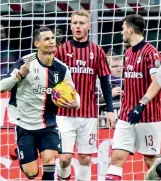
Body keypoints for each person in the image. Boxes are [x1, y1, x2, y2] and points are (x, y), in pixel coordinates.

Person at [0, 26, 80, 180]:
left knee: (50, 159)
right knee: (32, 173)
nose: (52, 41)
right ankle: (19, 150)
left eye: (52, 38)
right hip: (24, 124)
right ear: (37, 44)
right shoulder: (24, 63)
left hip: (47, 124)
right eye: (47, 39)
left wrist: (76, 103)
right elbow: (2, 86)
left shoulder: (62, 69)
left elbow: (74, 92)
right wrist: (19, 76)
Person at [55, 9, 115, 181]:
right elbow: (52, 81)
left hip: (88, 113)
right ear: (70, 26)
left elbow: (105, 82)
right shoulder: (61, 51)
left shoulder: (97, 52)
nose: (78, 27)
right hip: (63, 113)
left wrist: (110, 110)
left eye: (81, 23)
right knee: (65, 158)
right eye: (74, 23)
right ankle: (63, 177)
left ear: (89, 26)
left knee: (85, 158)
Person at [105, 14, 161, 180]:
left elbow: (157, 82)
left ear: (130, 30)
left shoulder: (151, 53)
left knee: (151, 162)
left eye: (123, 29)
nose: (121, 32)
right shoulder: (128, 52)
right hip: (126, 116)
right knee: (116, 158)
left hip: (148, 116)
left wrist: (141, 104)